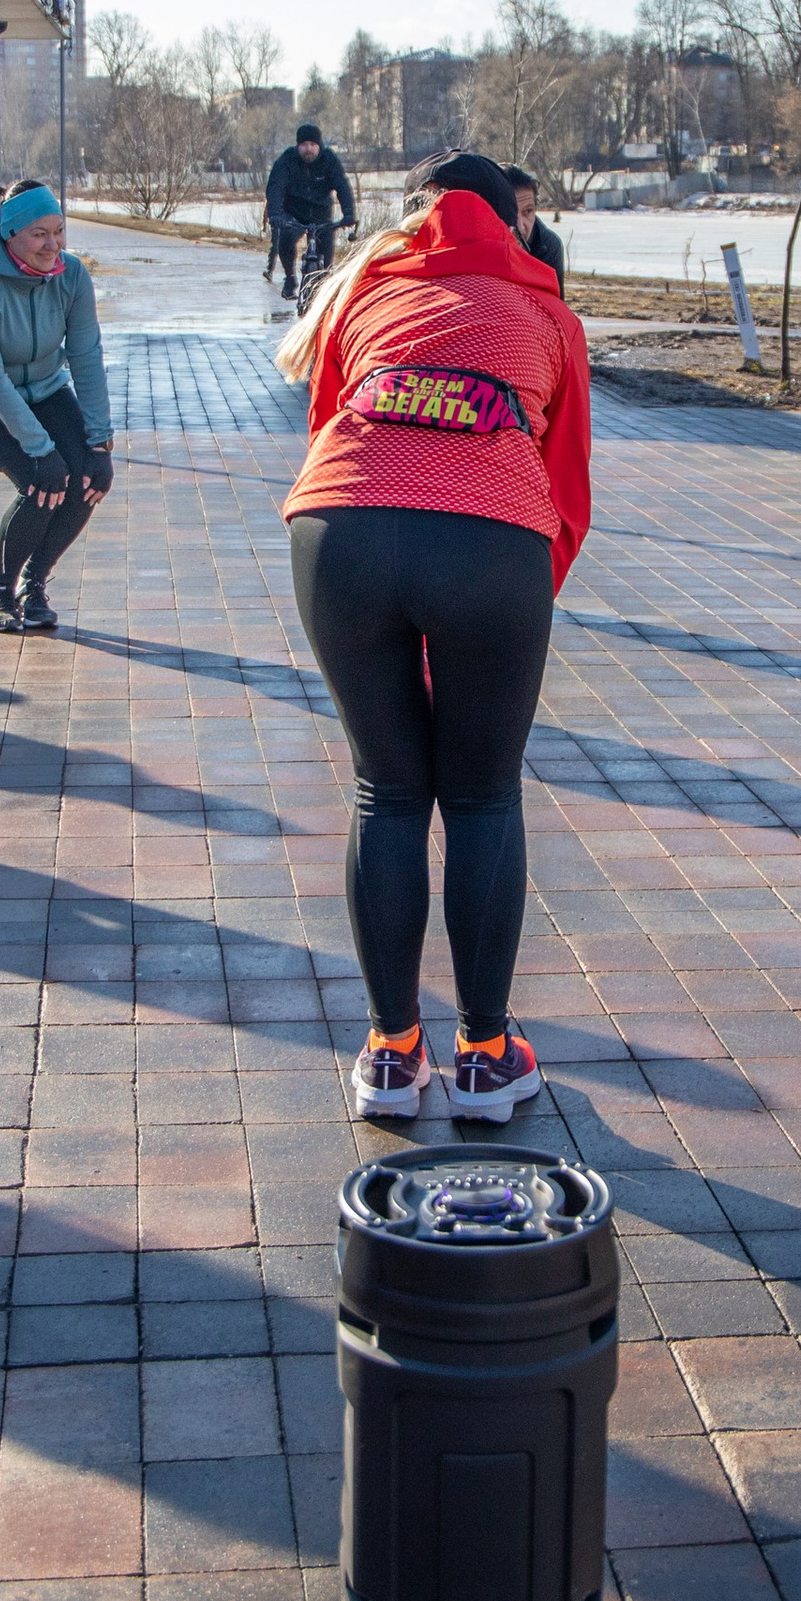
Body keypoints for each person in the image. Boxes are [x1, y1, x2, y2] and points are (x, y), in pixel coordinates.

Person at [276, 148, 590, 1124]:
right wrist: (508, 602)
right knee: (483, 793)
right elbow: (566, 487)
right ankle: (489, 1057)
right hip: (489, 540)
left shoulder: (363, 295)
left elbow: (328, 422)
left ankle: (390, 1051)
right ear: (516, 228)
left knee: (389, 785)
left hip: (341, 532)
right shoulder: (548, 315)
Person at [0, 177, 112, 633]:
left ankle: (35, 585)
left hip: (43, 386)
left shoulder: (71, 275)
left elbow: (87, 355)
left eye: (59, 230)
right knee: (41, 482)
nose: (53, 244)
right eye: (39, 234)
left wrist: (100, 440)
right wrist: (38, 449)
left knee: (88, 477)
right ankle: (0, 592)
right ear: (10, 234)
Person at [264, 122, 355, 300]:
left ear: (319, 146)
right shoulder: (287, 159)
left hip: (321, 212)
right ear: (298, 146)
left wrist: (349, 213)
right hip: (293, 212)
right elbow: (275, 187)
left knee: (326, 260)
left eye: (313, 145)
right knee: (286, 238)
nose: (308, 149)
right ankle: (290, 278)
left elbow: (342, 186)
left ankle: (323, 290)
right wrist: (275, 214)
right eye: (304, 145)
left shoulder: (328, 159)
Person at [505, 165, 568, 295]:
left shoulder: (548, 246)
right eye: (510, 213)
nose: (520, 226)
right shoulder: (475, 242)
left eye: (528, 211)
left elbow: (554, 308)